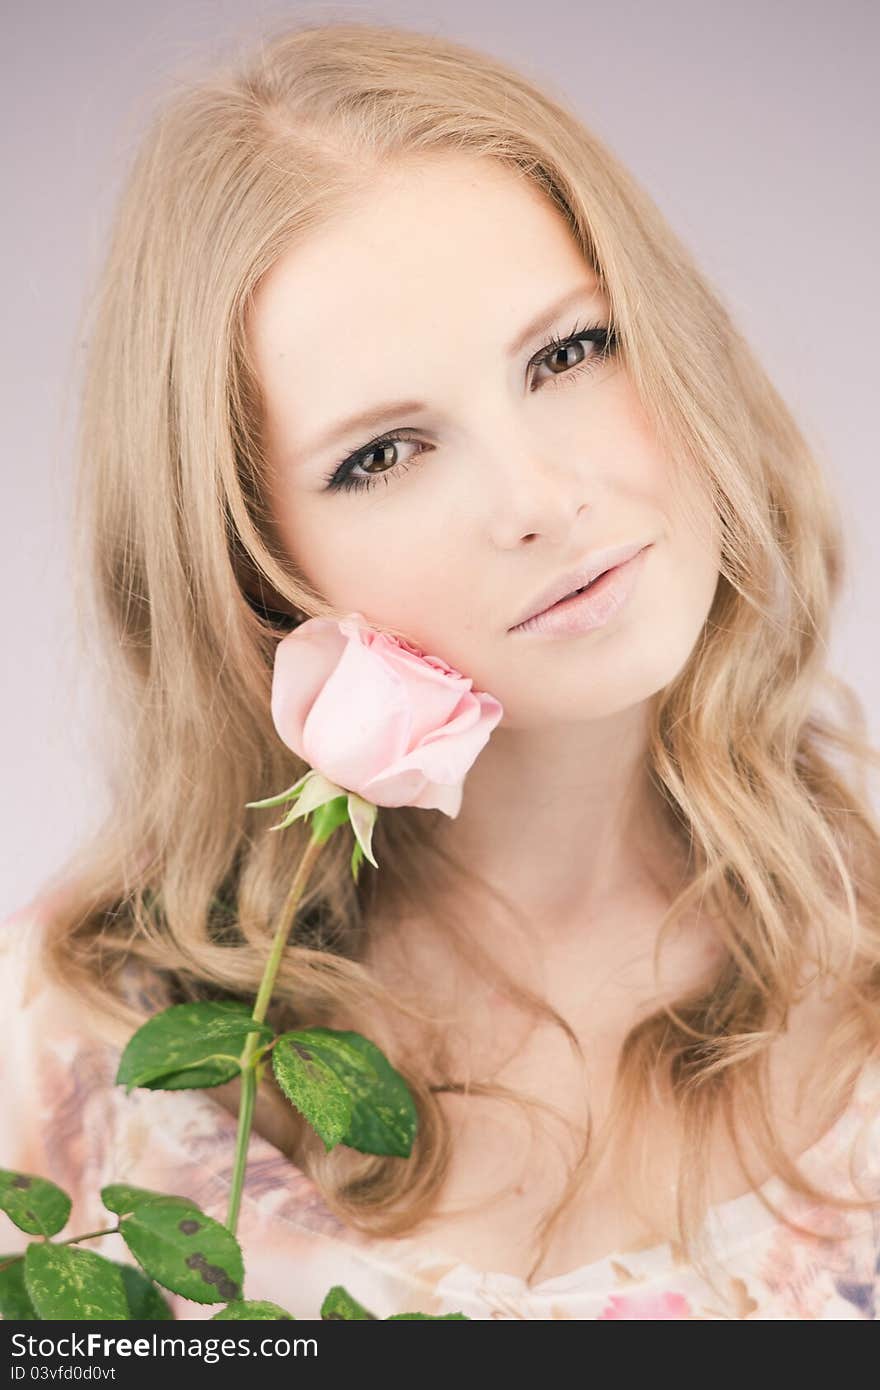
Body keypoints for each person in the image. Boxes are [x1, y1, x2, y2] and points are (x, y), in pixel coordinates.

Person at [2, 20, 879, 1322]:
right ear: (256, 565)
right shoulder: (82, 1038)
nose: (539, 497)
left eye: (569, 352)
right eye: (383, 453)